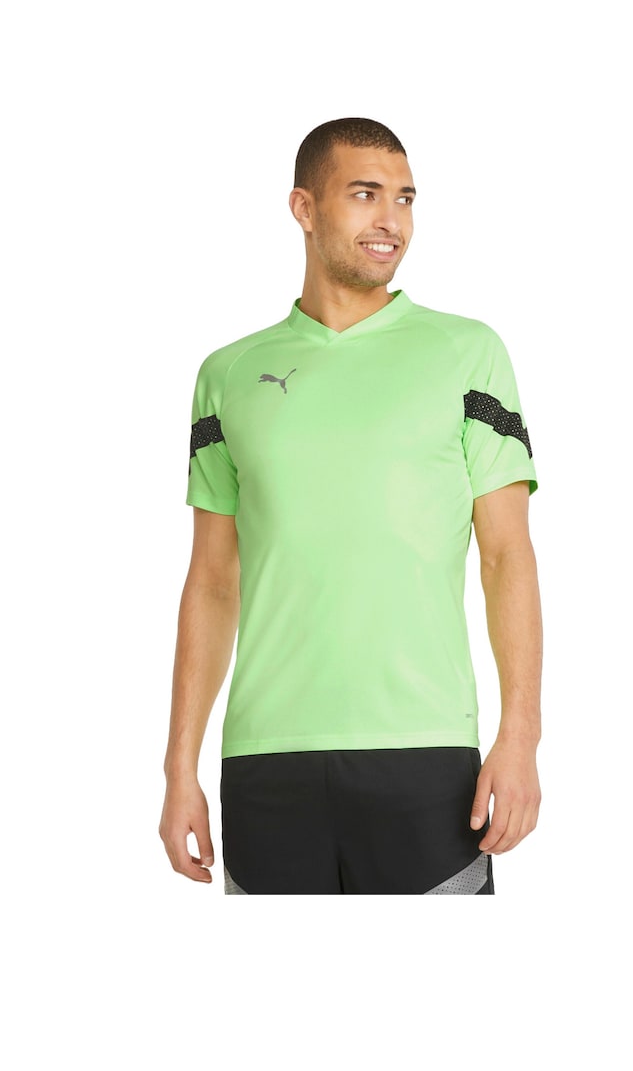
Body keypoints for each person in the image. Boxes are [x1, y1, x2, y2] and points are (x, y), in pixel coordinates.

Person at [159, 117, 542, 894]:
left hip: (427, 754)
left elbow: (507, 556)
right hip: (265, 760)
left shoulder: (468, 353)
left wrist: (521, 737)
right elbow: (212, 580)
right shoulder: (228, 374)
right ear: (304, 208)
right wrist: (179, 769)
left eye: (405, 198)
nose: (390, 220)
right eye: (365, 194)